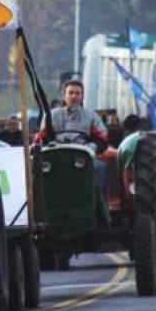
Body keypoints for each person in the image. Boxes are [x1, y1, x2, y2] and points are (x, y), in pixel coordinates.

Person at [40, 79, 110, 228]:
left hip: (82, 157)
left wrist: (92, 146)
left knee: (101, 168)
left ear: (82, 96)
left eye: (77, 93)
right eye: (70, 93)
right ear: (64, 96)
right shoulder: (51, 116)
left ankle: (101, 211)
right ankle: (41, 213)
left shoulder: (91, 116)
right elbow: (41, 138)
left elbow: (103, 139)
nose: (74, 96)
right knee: (38, 174)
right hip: (56, 158)